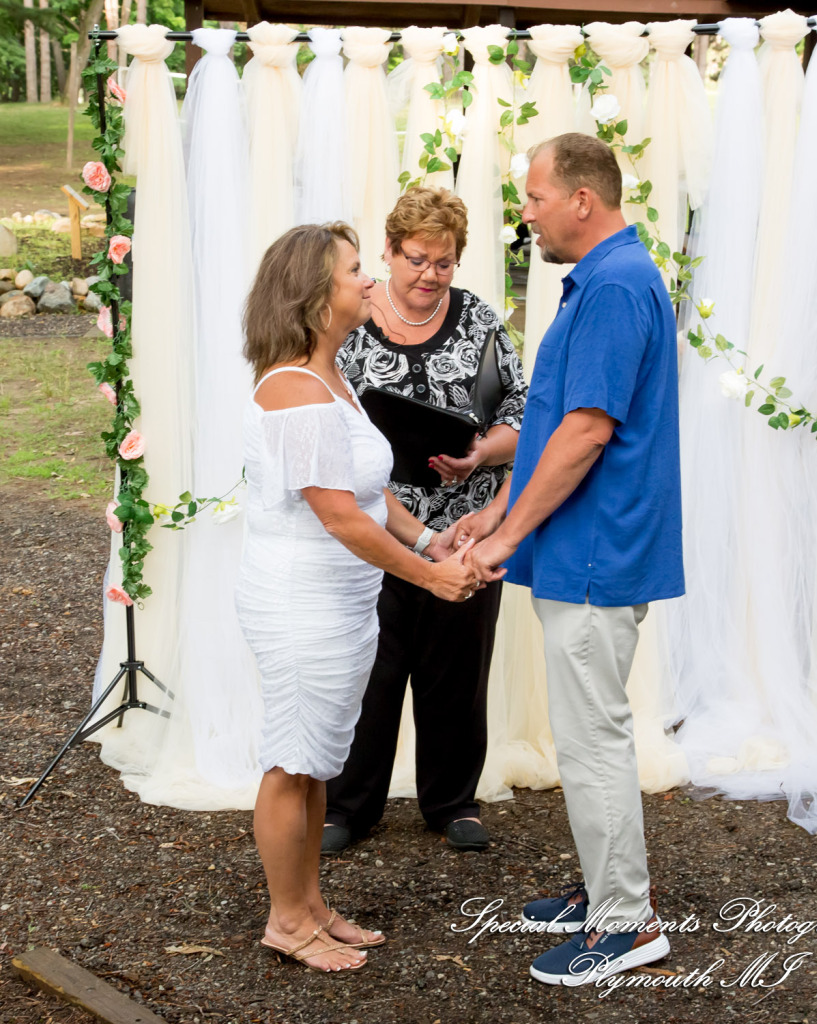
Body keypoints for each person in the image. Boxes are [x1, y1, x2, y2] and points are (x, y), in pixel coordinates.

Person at [463, 134, 684, 984]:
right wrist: (497, 504)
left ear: (581, 200)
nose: (526, 213)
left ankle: (627, 924)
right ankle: (606, 890)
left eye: (533, 198)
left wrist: (508, 536)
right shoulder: (601, 280)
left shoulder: (617, 285)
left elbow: (589, 430)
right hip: (580, 542)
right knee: (586, 732)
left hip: (596, 549)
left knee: (592, 739)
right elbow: (559, 421)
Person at [236, 223, 480, 974]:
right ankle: (285, 921)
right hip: (297, 600)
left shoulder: (330, 375)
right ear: (316, 296)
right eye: (354, 272)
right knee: (291, 760)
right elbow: (336, 514)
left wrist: (426, 541)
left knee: (317, 763)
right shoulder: (291, 388)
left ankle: (310, 905)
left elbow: (368, 496)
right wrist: (433, 579)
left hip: (339, 601)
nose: (370, 282)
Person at [322, 188, 528, 854]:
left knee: (456, 671)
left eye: (444, 263)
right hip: (373, 527)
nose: (428, 275)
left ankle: (451, 801)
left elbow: (523, 417)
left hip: (465, 529)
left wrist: (481, 453)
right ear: (388, 251)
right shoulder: (350, 318)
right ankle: (348, 806)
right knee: (370, 669)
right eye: (416, 259)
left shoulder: (478, 322)